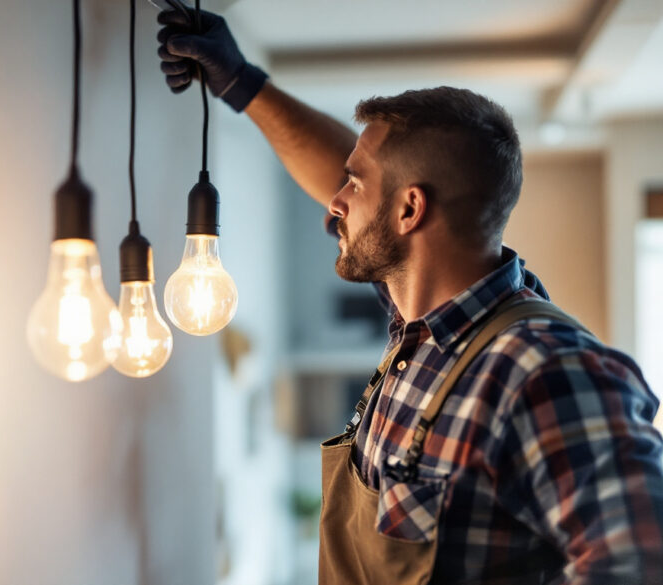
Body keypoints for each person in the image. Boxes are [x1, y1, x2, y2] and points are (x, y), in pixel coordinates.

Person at [156, 8, 663, 585]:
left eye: (354, 184)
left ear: (410, 210)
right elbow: (352, 183)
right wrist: (240, 83)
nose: (335, 203)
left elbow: (640, 564)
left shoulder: (548, 371)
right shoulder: (416, 326)